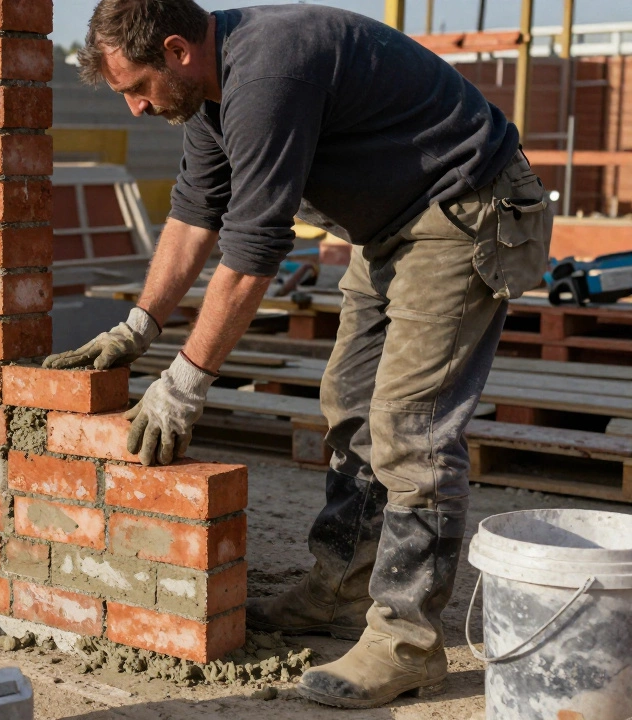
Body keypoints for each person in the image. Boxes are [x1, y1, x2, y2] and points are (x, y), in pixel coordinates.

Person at [46, 0, 552, 708]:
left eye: (136, 87)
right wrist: (137, 326)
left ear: (177, 50)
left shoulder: (270, 70)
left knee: (411, 429)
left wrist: (185, 384)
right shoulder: (210, 97)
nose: (133, 107)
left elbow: (252, 251)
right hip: (393, 227)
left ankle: (407, 643)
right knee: (349, 402)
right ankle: (341, 590)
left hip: (466, 208)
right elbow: (197, 212)